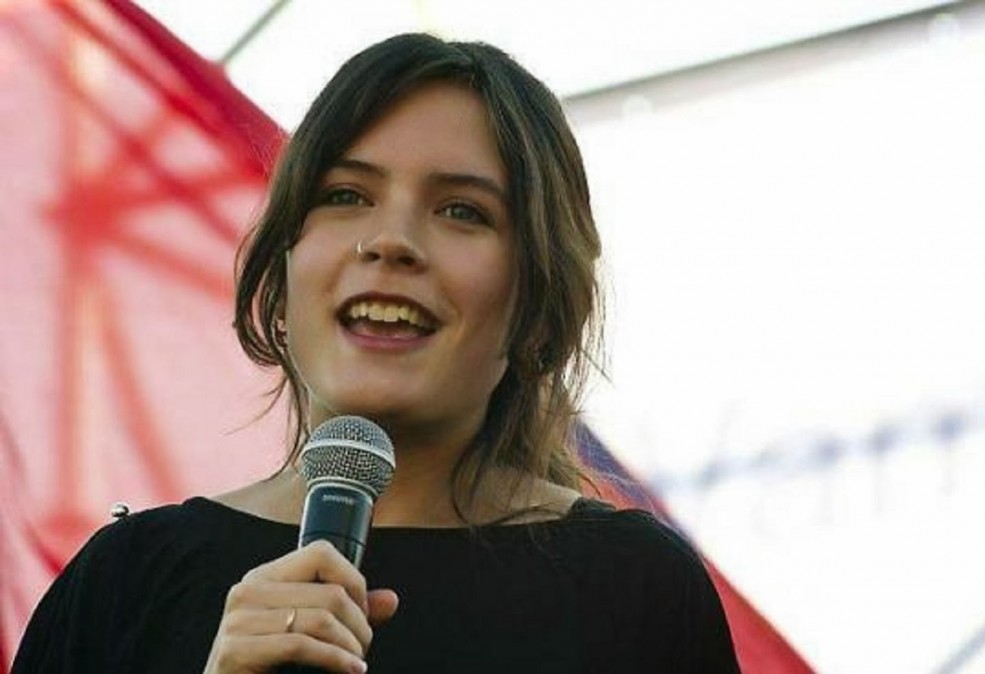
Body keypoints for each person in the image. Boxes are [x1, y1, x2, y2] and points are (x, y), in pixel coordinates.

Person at [12, 33, 740, 673]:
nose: (389, 241)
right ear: (284, 271)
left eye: (462, 211)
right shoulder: (126, 582)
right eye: (345, 195)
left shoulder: (636, 592)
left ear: (536, 309)